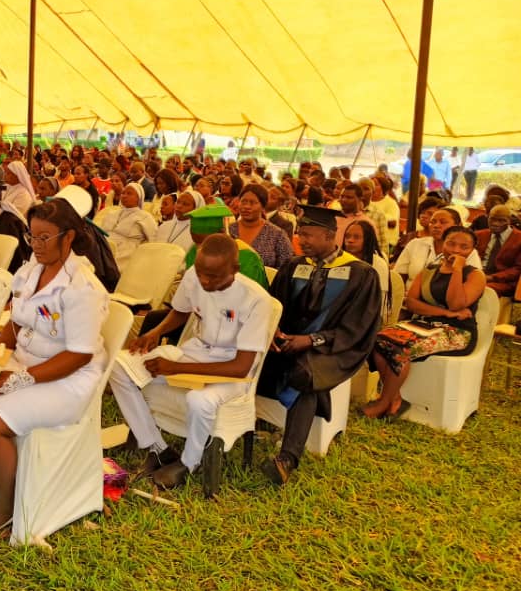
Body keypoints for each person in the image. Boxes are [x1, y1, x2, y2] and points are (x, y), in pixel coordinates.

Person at [0, 198, 109, 531]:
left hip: (67, 380)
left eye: (44, 237)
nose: (36, 245)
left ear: (69, 237)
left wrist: (18, 380)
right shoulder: (30, 270)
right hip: (24, 365)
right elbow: (17, 322)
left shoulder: (82, 288)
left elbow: (79, 355)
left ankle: (7, 502)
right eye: (32, 237)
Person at [109, 234, 274, 488]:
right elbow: (181, 310)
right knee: (120, 366)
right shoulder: (193, 276)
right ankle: (159, 448)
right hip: (195, 352)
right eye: (201, 273)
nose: (205, 281)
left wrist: (176, 368)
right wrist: (156, 333)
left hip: (232, 370)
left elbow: (241, 366)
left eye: (214, 277)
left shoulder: (256, 300)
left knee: (199, 400)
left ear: (235, 269)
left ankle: (189, 463)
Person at [258, 206, 381, 485]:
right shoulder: (294, 265)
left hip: (334, 348)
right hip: (288, 342)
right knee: (253, 360)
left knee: (305, 373)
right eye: (300, 233)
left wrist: (311, 340)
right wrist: (276, 331)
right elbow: (272, 305)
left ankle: (287, 458)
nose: (302, 239)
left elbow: (358, 328)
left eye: (309, 235)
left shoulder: (360, 274)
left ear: (329, 235)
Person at [365, 226, 486, 419]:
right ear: (442, 244)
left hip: (457, 332)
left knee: (401, 348)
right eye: (451, 243)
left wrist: (457, 270)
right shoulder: (429, 270)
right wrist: (445, 313)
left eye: (464, 247)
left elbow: (457, 303)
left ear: (472, 251)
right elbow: (412, 303)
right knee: (377, 340)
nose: (455, 250)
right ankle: (394, 398)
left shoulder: (475, 275)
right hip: (423, 324)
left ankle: (383, 402)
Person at [394, 208, 480, 282]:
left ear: (457, 225)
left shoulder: (467, 251)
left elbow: (473, 280)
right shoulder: (415, 244)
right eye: (433, 222)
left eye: (443, 222)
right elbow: (399, 276)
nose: (436, 226)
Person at [93, 182, 157, 270]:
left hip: (125, 255)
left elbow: (153, 240)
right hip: (104, 248)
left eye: (129, 193)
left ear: (138, 198)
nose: (124, 196)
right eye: (123, 193)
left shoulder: (145, 217)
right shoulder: (112, 213)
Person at [229, 185, 293, 269]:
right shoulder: (229, 230)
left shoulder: (277, 235)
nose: (247, 207)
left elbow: (285, 268)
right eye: (243, 202)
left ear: (263, 206)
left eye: (253, 203)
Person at [343, 220, 391, 321]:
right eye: (347, 236)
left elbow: (379, 301)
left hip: (369, 317)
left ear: (367, 240)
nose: (350, 240)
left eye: (356, 237)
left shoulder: (378, 263)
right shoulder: (340, 260)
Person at [473, 205, 521, 297]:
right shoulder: (479, 235)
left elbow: (518, 269)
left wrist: (491, 277)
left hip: (504, 281)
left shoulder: (519, 239)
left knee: (481, 289)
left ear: (509, 220)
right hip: (476, 275)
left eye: (501, 220)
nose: (495, 223)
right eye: (492, 219)